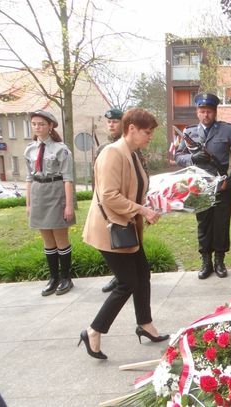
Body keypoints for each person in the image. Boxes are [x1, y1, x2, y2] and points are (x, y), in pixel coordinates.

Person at [80, 108, 168, 359]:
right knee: (127, 282)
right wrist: (142, 210)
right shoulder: (112, 153)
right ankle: (94, 331)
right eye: (147, 132)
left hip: (126, 228)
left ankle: (145, 324)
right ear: (131, 129)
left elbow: (134, 190)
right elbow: (108, 195)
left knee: (142, 274)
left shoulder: (132, 154)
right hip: (109, 231)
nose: (150, 136)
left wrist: (149, 208)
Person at [174, 93, 231, 279]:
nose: (205, 115)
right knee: (204, 223)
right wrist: (192, 158)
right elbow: (178, 157)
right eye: (202, 111)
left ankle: (220, 261)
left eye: (209, 111)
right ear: (197, 112)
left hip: (222, 185)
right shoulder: (189, 133)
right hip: (200, 187)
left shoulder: (226, 130)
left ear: (215, 112)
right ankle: (206, 262)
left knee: (221, 224)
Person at [24, 110, 76, 296]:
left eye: (41, 124)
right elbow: (29, 178)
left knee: (60, 239)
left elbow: (68, 178)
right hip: (39, 193)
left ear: (50, 126)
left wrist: (69, 205)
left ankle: (66, 278)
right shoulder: (30, 149)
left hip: (56, 192)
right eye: (34, 124)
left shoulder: (61, 149)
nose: (37, 127)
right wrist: (28, 204)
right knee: (47, 240)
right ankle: (53, 278)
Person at [97, 108, 124, 293]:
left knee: (125, 240)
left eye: (115, 121)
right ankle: (119, 275)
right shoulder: (103, 149)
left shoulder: (130, 147)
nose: (111, 124)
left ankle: (123, 276)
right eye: (109, 122)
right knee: (111, 240)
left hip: (125, 202)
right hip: (107, 202)